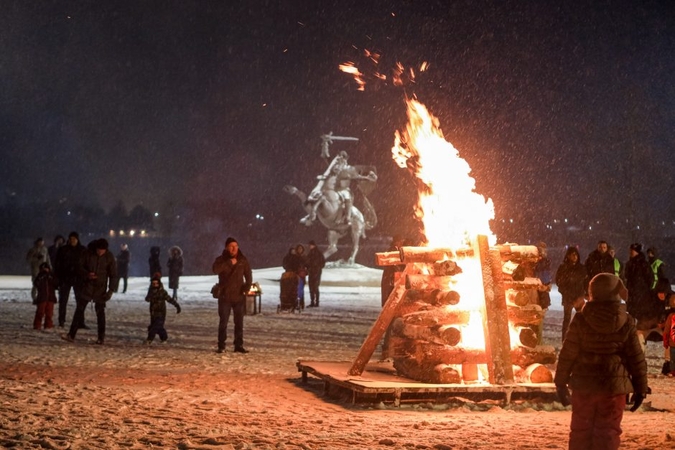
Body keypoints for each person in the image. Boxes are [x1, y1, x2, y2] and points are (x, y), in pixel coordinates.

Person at [554, 273, 648, 450]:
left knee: (581, 431)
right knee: (607, 433)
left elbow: (568, 354)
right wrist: (640, 388)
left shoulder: (581, 319)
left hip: (584, 386)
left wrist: (560, 382)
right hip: (613, 388)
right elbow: (636, 358)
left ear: (592, 292)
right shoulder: (626, 321)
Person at [62, 238, 118, 345]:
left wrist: (110, 290)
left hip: (100, 289)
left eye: (103, 250)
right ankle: (71, 334)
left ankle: (101, 338)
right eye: (99, 250)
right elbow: (79, 267)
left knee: (100, 313)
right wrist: (87, 274)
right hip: (86, 287)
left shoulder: (109, 257)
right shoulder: (87, 254)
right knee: (79, 310)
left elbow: (113, 275)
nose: (100, 252)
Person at [212, 237, 252, 354]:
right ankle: (221, 345)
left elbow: (248, 275)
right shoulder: (221, 260)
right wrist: (228, 263)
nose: (234, 248)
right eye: (231, 246)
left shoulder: (243, 260)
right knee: (223, 322)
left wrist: (246, 288)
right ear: (226, 248)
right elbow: (215, 270)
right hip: (225, 296)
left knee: (239, 322)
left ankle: (238, 345)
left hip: (239, 296)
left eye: (236, 246)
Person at [54, 232, 88, 329]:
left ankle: (80, 321)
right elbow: (57, 264)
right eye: (71, 239)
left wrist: (85, 275)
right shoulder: (63, 250)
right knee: (63, 301)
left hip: (78, 278)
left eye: (74, 239)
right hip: (65, 278)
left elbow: (86, 264)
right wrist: (57, 277)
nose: (72, 240)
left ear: (77, 239)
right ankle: (61, 321)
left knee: (80, 301)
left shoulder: (82, 250)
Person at [555, 246, 587, 341]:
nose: (575, 256)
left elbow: (585, 281)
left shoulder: (581, 268)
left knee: (582, 319)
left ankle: (582, 339)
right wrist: (564, 291)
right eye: (573, 254)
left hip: (579, 297)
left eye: (576, 254)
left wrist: (585, 293)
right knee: (567, 320)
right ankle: (564, 340)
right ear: (568, 256)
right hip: (568, 297)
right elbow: (559, 282)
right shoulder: (563, 267)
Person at [144, 275, 181, 344]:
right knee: (158, 327)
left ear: (159, 284)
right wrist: (150, 294)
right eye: (153, 284)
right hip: (153, 313)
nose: (155, 285)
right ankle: (164, 338)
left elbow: (169, 299)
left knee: (155, 327)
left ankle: (149, 339)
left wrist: (177, 306)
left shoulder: (162, 292)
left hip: (161, 313)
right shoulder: (151, 291)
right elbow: (147, 299)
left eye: (156, 283)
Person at [381, 235, 406, 307]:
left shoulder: (396, 249)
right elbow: (394, 264)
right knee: (390, 293)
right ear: (396, 242)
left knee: (390, 294)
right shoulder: (393, 250)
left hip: (391, 275)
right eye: (401, 241)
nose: (402, 243)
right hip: (390, 276)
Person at [32, 262, 58, 330]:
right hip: (42, 297)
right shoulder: (40, 276)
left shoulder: (51, 276)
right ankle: (37, 325)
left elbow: (56, 284)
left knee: (49, 313)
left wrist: (50, 276)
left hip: (50, 297)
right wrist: (42, 275)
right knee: (40, 312)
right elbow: (36, 283)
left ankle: (48, 325)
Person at [26, 237, 50, 301]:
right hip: (35, 268)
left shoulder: (45, 249)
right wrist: (36, 258)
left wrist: (49, 266)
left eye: (42, 242)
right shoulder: (33, 250)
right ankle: (34, 297)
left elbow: (47, 258)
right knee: (36, 283)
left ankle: (41, 296)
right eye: (39, 242)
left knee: (43, 283)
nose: (41, 243)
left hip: (43, 268)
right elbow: (28, 259)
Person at [306, 240, 325, 307]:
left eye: (310, 245)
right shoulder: (315, 253)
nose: (310, 247)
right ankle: (314, 302)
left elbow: (322, 263)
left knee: (314, 287)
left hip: (315, 272)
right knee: (313, 287)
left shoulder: (316, 253)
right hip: (314, 272)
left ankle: (314, 302)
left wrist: (315, 267)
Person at [662, 293, 675, 377]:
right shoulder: (671, 316)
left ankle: (673, 370)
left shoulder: (671, 316)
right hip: (672, 342)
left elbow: (666, 330)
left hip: (673, 342)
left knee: (673, 358)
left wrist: (665, 340)